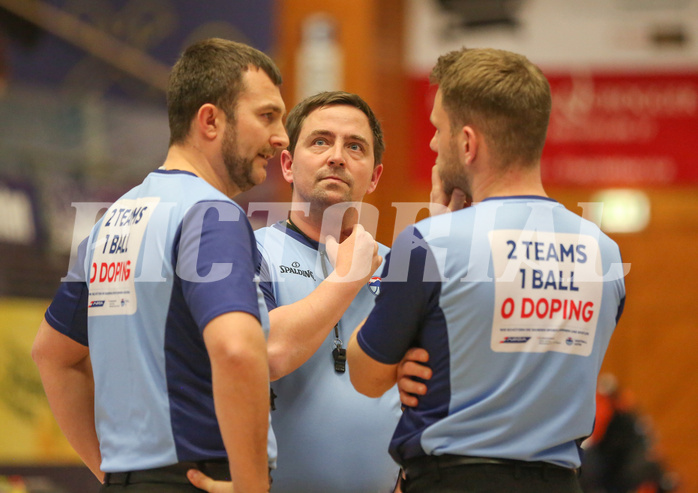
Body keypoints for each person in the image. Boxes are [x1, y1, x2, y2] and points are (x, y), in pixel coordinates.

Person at [346, 47, 627, 493]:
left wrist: (404, 351)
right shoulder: (608, 255)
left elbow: (365, 375)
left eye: (439, 130)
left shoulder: (430, 245)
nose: (434, 143)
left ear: (469, 144)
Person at [31, 38, 289, 492]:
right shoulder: (213, 215)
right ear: (210, 120)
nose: (281, 137)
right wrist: (252, 487)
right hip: (202, 477)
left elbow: (52, 355)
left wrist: (112, 473)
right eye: (267, 116)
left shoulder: (112, 221)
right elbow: (236, 350)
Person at [188, 90, 412, 493]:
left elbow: (425, 385)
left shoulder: (400, 267)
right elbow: (268, 353)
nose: (337, 156)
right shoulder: (250, 252)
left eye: (355, 146)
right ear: (288, 165)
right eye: (321, 141)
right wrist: (346, 279)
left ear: (375, 175)